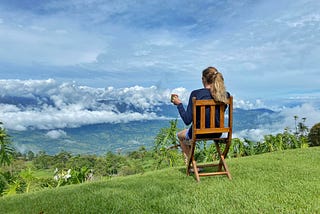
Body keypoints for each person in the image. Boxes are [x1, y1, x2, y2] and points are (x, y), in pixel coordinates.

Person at [171, 66, 229, 163]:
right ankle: (192, 163)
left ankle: (191, 164)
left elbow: (187, 120)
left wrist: (179, 104)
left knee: (181, 135)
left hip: (199, 133)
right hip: (217, 132)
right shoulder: (225, 95)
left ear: (203, 79)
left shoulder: (196, 94)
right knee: (188, 132)